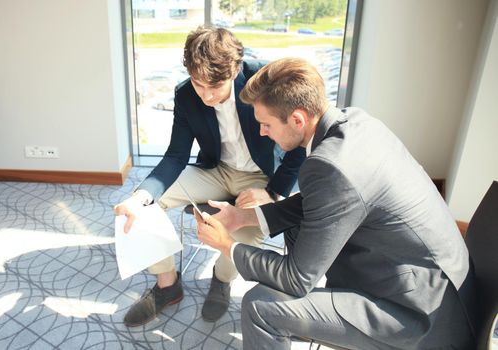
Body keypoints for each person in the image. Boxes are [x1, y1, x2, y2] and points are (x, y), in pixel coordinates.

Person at [195, 58, 477, 349]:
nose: (263, 133)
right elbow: (321, 201)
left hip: (419, 315)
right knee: (294, 229)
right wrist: (245, 217)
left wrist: (227, 245)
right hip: (433, 280)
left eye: (266, 124)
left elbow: (296, 278)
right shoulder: (355, 120)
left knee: (259, 306)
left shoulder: (331, 165)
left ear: (297, 119)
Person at [114, 28, 305, 327]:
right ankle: (168, 285)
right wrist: (141, 195)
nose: (205, 95)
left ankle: (221, 279)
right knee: (143, 206)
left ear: (236, 70)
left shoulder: (266, 81)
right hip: (214, 170)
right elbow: (176, 155)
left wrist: (273, 192)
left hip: (259, 176)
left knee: (246, 230)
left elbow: (300, 141)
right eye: (198, 84)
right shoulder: (186, 95)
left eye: (214, 86)